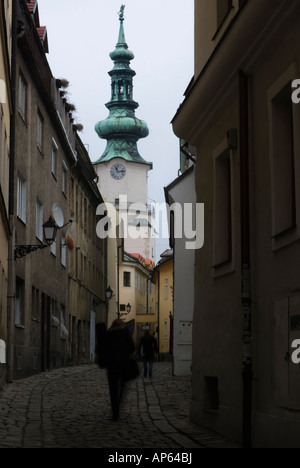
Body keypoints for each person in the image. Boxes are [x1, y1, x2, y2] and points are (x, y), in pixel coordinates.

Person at [104, 319, 135, 421]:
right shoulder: (126, 334)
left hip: (112, 366)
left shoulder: (109, 334)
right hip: (123, 365)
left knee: (113, 390)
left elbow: (104, 349)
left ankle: (115, 412)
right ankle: (117, 407)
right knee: (121, 388)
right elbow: (132, 348)